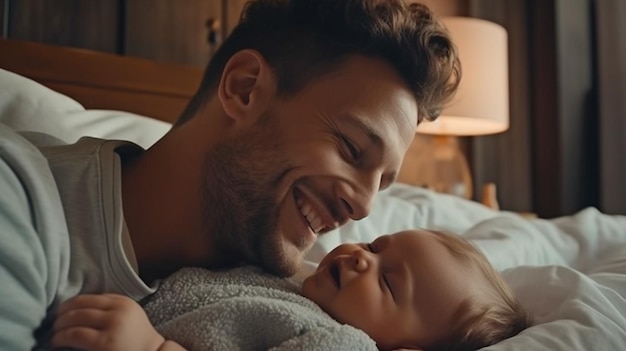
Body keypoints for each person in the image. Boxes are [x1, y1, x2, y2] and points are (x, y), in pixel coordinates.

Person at [0, 0, 460, 349]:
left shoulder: (304, 297)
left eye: (381, 183)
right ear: (244, 89)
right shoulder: (19, 200)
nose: (363, 206)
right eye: (351, 148)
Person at [50, 230, 531, 351]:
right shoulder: (295, 276)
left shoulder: (341, 342)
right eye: (376, 244)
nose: (362, 255)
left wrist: (155, 347)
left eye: (387, 281)